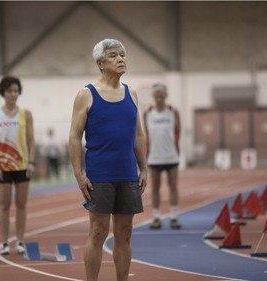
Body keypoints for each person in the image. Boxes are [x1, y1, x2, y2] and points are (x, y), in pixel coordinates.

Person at [69, 39, 148, 281]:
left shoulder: (131, 93)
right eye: (114, 56)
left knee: (124, 234)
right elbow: (74, 136)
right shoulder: (86, 94)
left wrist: (143, 167)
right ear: (101, 63)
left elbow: (138, 134)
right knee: (98, 232)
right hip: (100, 175)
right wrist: (79, 175)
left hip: (127, 173)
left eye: (123, 55)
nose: (121, 59)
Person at [0, 76, 36, 255]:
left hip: (22, 165)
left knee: (21, 204)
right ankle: (5, 242)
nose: (13, 94)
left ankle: (21, 240)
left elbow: (31, 140)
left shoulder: (26, 114)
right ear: (3, 93)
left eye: (16, 91)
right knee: (4, 205)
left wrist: (31, 162)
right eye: (10, 91)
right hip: (3, 166)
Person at [143, 83, 182, 230]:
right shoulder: (148, 112)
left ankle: (173, 217)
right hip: (154, 157)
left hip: (171, 156)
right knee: (155, 188)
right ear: (153, 96)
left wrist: (176, 149)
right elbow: (144, 134)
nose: (159, 98)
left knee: (173, 186)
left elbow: (178, 131)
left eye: (161, 95)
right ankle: (156, 217)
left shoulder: (173, 111)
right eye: (156, 95)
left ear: (166, 96)